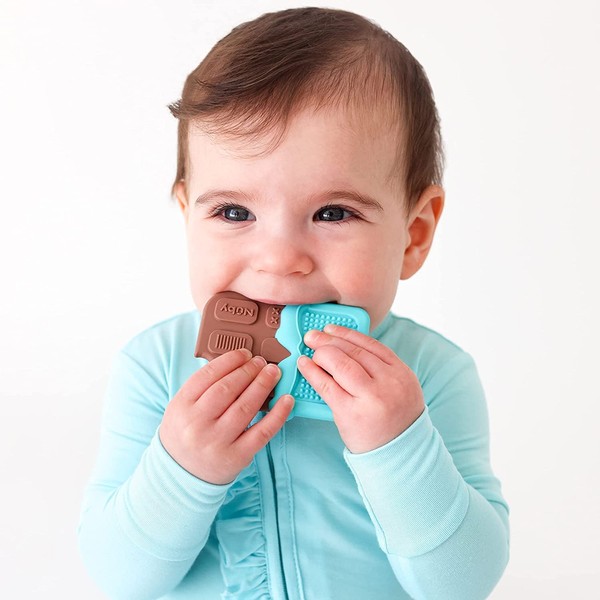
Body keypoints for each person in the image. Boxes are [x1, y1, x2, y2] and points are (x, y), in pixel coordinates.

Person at [78, 7, 509, 599]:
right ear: (187, 216)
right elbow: (117, 576)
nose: (279, 259)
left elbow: (462, 585)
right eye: (234, 212)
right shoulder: (154, 365)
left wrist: (399, 446)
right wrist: (182, 469)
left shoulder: (432, 375)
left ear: (413, 235)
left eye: (333, 213)